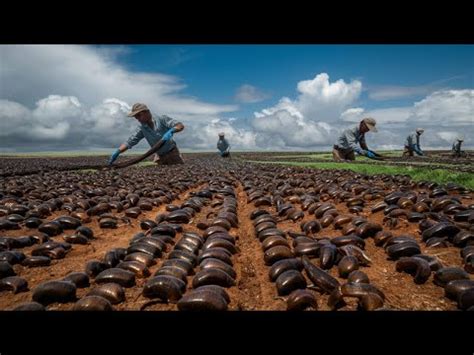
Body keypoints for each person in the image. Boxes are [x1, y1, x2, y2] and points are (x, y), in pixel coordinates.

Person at [108, 103, 185, 165]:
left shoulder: (162, 119)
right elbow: (130, 141)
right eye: (135, 117)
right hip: (159, 155)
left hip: (172, 153)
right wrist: (118, 151)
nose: (137, 119)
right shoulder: (142, 128)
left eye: (139, 115)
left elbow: (180, 125)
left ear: (147, 112)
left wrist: (172, 130)